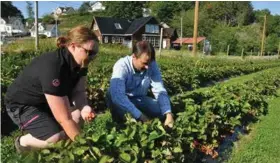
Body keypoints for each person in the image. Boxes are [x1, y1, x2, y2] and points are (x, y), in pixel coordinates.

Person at [5, 25, 99, 153]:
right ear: (73, 46)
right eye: (90, 52)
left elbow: (79, 91)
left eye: (95, 54)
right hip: (23, 105)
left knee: (77, 116)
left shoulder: (81, 63)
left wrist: (84, 107)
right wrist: (86, 149)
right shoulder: (54, 67)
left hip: (45, 101)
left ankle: (66, 150)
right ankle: (22, 142)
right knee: (56, 137)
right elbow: (64, 118)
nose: (92, 57)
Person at [106, 41, 174, 127]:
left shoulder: (151, 64)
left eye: (149, 62)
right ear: (134, 56)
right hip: (122, 99)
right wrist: (140, 116)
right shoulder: (122, 66)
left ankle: (138, 115)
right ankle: (123, 119)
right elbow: (118, 96)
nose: (147, 67)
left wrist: (168, 114)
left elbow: (159, 89)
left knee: (161, 109)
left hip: (140, 98)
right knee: (127, 118)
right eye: (144, 63)